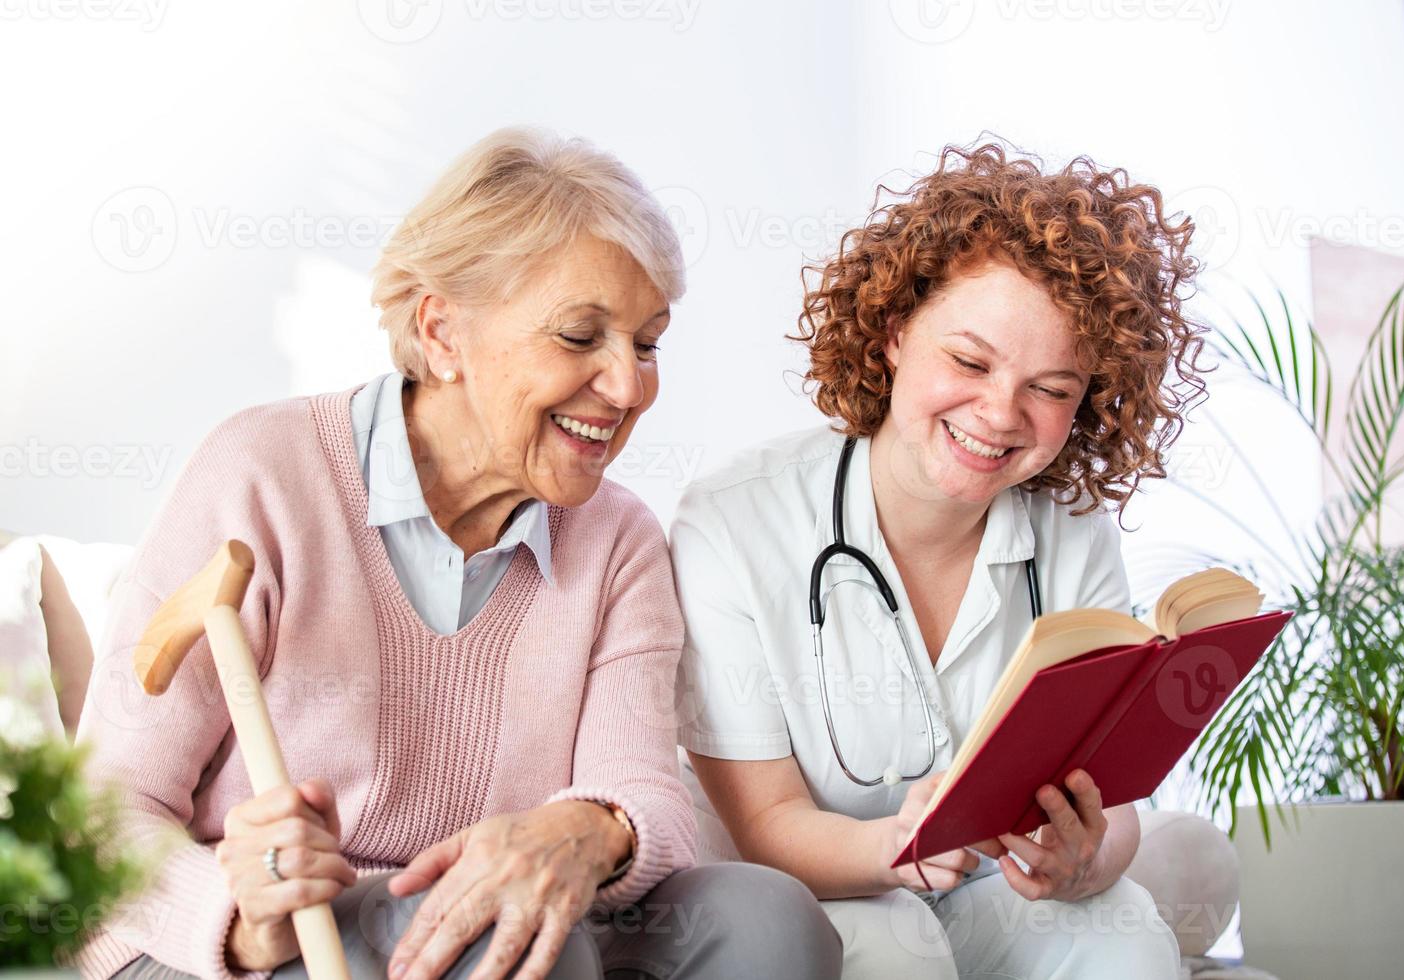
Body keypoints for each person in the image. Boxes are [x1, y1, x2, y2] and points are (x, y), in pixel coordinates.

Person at [73, 127, 841, 980]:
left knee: (769, 921)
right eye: (582, 336)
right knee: (512, 952)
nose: (629, 388)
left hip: (489, 922)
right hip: (254, 944)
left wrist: (589, 826)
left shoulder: (619, 541)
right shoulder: (261, 474)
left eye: (648, 342)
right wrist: (244, 922)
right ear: (442, 333)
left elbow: (643, 795)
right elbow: (101, 814)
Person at [671, 139, 1206, 979]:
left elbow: (1117, 803)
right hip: (802, 891)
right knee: (898, 947)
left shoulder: (1072, 531)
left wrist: (1082, 861)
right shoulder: (735, 524)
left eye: (1053, 389)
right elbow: (766, 821)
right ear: (892, 334)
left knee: (1123, 929)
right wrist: (896, 847)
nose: (1000, 414)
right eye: (969, 361)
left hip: (985, 892)